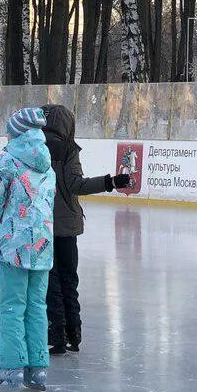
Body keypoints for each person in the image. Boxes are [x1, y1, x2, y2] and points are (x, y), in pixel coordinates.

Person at [41, 103, 132, 355]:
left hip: (42, 224)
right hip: (68, 226)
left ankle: (55, 335)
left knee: (51, 281)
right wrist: (110, 182)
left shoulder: (33, 145)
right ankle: (74, 333)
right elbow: (76, 184)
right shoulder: (68, 148)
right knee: (69, 279)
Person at [0, 107, 57, 391]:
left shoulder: (8, 161)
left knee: (12, 306)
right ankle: (37, 368)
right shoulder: (47, 165)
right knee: (37, 306)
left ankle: (11, 367)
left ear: (16, 133)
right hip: (42, 248)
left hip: (13, 247)